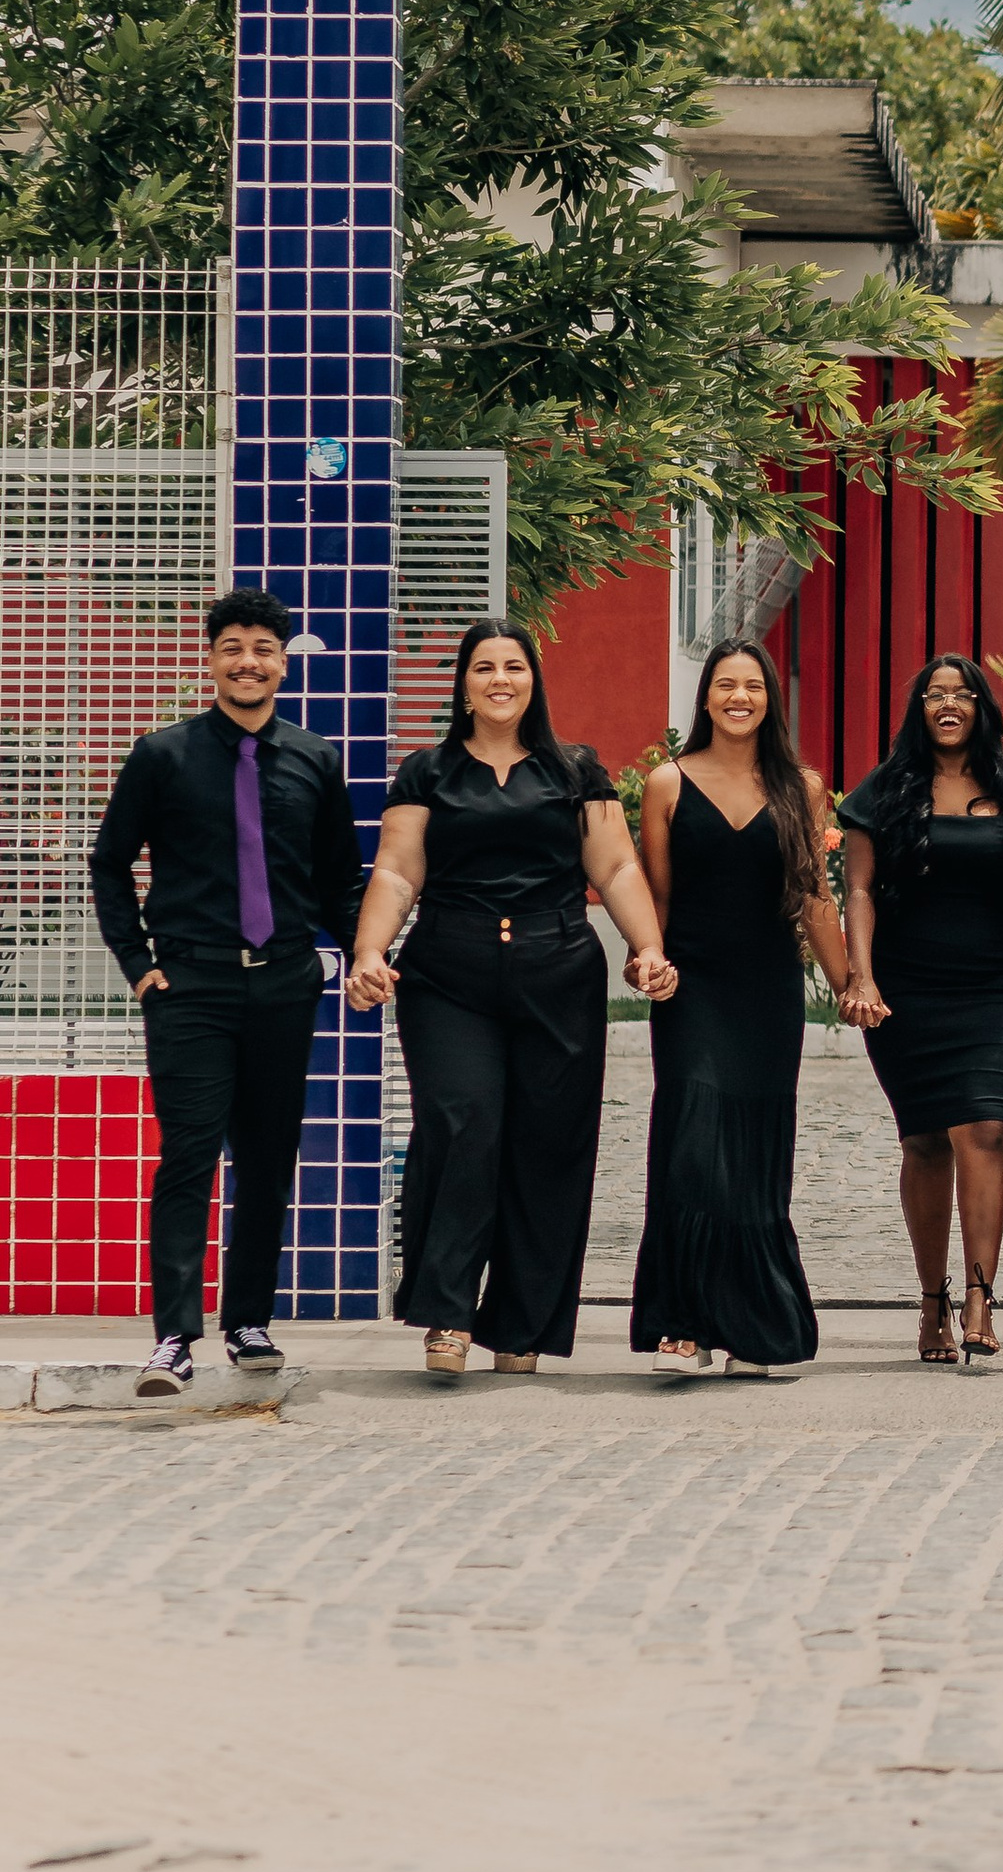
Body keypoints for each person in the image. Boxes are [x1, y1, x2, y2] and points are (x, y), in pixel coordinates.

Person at [348, 619, 673, 1378]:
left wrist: (646, 947)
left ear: (534, 681)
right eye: (485, 667)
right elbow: (397, 873)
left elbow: (618, 867)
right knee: (462, 1126)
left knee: (549, 1147)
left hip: (556, 967)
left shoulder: (575, 770)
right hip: (448, 974)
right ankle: (448, 1314)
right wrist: (371, 950)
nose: (500, 680)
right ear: (463, 683)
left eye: (514, 667)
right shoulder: (427, 771)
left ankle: (522, 1325)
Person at [88, 588, 366, 1397]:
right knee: (188, 1156)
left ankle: (248, 1321)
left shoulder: (315, 759)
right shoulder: (163, 755)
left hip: (283, 983)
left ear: (284, 662)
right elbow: (110, 863)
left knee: (269, 1157)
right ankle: (174, 1336)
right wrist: (138, 963)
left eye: (263, 648)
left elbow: (337, 880)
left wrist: (364, 952)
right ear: (211, 659)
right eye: (233, 647)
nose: (249, 661)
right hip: (191, 984)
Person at [629, 638, 850, 1381]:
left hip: (767, 993)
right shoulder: (667, 783)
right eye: (725, 685)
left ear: (768, 700)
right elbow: (653, 901)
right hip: (692, 989)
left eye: (752, 686)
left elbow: (815, 899)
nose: (739, 697)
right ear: (706, 697)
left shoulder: (802, 788)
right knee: (691, 1144)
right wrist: (646, 957)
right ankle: (681, 1326)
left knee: (754, 1159)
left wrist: (852, 982)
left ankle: (751, 1326)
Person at [837, 652, 1003, 1365]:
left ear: (980, 709)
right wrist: (863, 980)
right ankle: (931, 1303)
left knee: (987, 1132)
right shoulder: (885, 791)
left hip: (994, 991)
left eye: (962, 694)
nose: (948, 704)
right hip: (909, 992)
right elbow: (861, 892)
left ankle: (978, 1298)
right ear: (919, 709)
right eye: (934, 693)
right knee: (926, 1144)